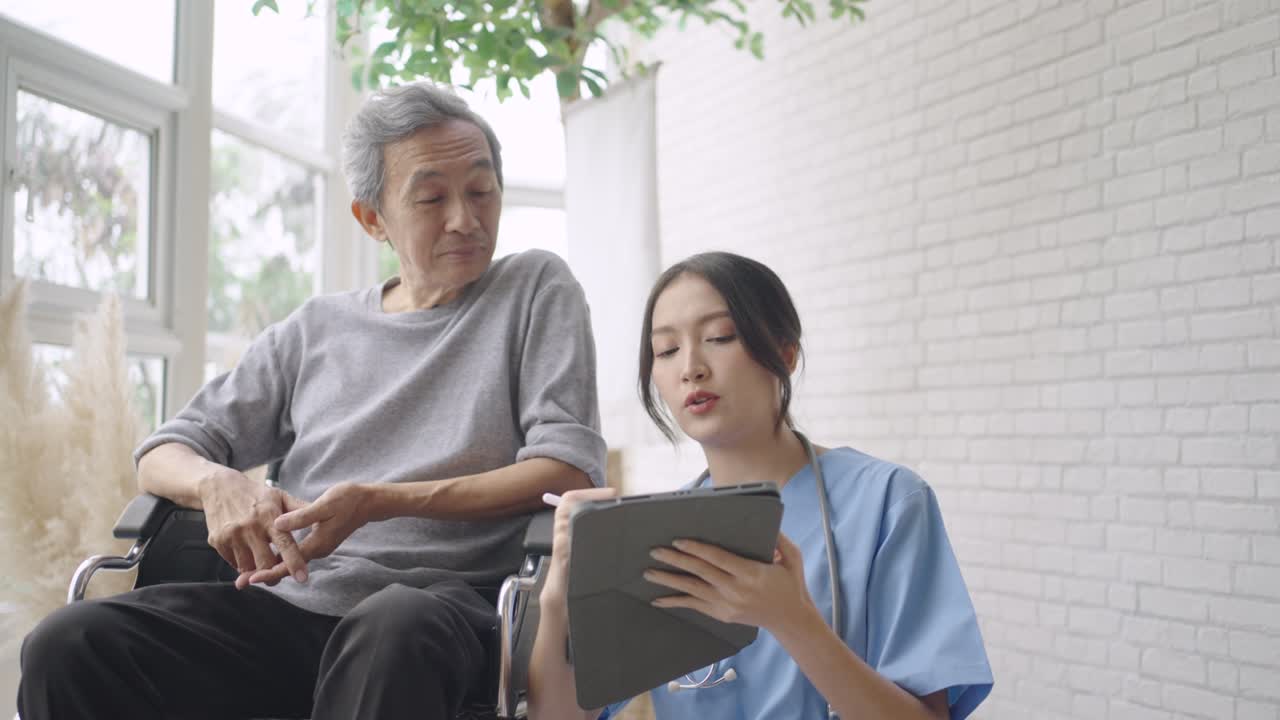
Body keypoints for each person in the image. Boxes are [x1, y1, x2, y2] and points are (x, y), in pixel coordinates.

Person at [17, 82, 606, 720]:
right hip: (287, 605)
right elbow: (164, 453)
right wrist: (219, 485)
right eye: (433, 197)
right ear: (372, 218)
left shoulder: (535, 289)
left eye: (481, 191)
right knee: (68, 643)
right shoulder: (316, 329)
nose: (465, 217)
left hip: (438, 606)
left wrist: (377, 502)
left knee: (394, 624)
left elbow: (566, 470)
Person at [528, 252, 993, 720]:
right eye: (666, 350)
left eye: (719, 337)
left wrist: (791, 620)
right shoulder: (656, 535)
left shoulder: (886, 502)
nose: (691, 367)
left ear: (785, 353)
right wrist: (557, 598)